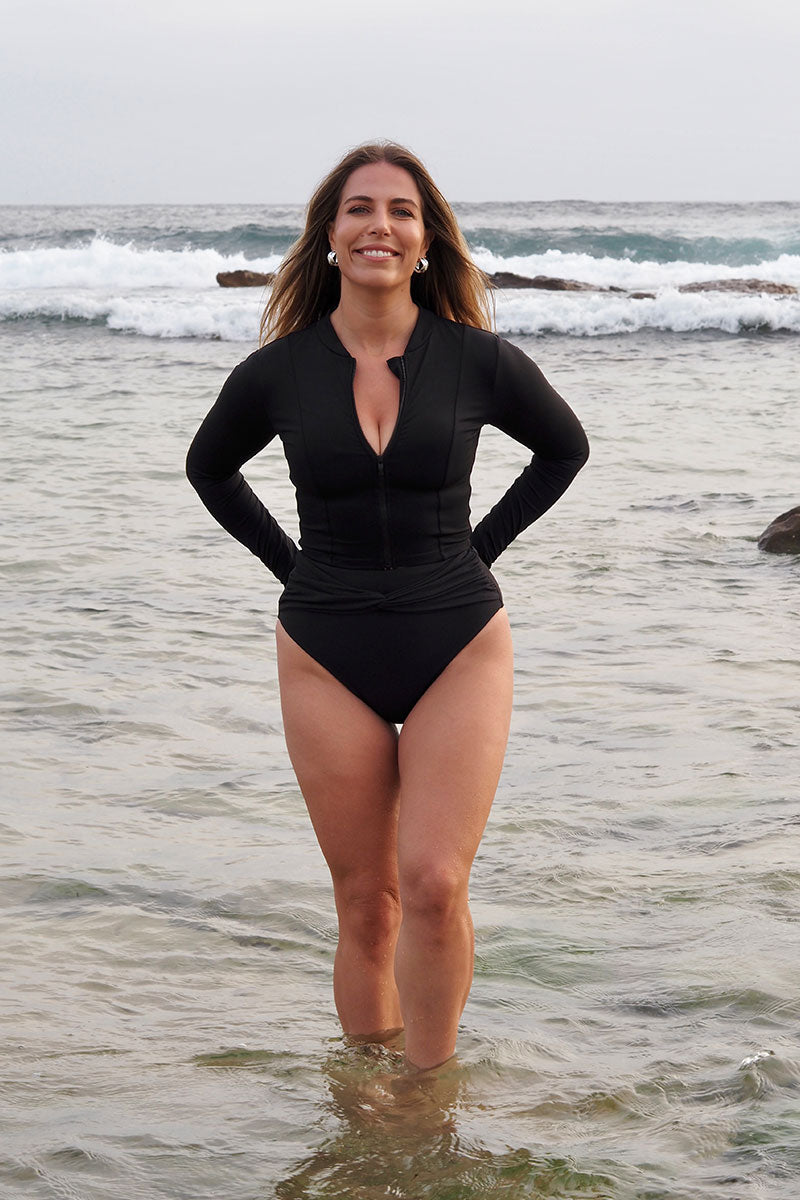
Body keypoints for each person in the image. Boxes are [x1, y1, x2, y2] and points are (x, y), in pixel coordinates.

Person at [186, 142, 589, 1071]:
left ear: (425, 239)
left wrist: (475, 553)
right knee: (367, 902)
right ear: (330, 237)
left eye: (401, 211)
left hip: (458, 640)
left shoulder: (479, 360)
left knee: (436, 883)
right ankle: (367, 1111)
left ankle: (427, 1096)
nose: (380, 225)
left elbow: (563, 450)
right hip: (326, 648)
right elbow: (209, 469)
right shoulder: (279, 371)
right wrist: (291, 569)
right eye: (360, 209)